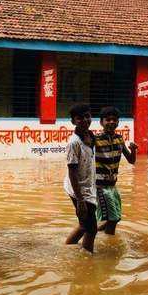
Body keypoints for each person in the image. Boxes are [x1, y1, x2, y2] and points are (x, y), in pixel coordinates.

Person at [94, 107, 137, 234]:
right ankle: (108, 243)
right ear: (101, 122)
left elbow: (131, 160)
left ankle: (92, 232)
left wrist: (133, 150)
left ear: (118, 122)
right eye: (108, 120)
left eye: (114, 119)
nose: (111, 122)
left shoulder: (119, 139)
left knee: (116, 217)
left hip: (112, 186)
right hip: (100, 186)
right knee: (112, 219)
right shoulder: (96, 139)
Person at [64, 103, 98, 253]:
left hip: (88, 187)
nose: (84, 120)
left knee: (85, 225)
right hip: (78, 189)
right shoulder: (74, 143)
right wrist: (80, 201)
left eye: (87, 116)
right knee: (92, 228)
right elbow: (72, 172)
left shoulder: (91, 136)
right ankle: (87, 256)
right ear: (73, 121)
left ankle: (68, 247)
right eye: (79, 118)